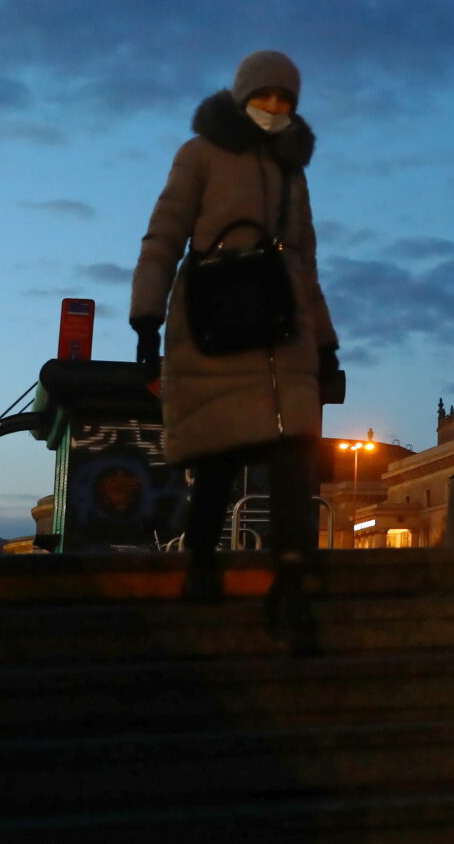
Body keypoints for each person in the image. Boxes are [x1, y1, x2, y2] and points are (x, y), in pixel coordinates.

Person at [130, 49, 339, 651]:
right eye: (265, 96)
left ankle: (292, 586)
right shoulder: (199, 155)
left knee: (296, 459)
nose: (274, 108)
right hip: (212, 319)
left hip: (282, 330)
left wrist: (325, 343)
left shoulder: (292, 174)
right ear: (243, 96)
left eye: (285, 100)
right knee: (218, 452)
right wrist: (146, 311)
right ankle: (200, 562)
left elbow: (306, 266)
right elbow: (165, 231)